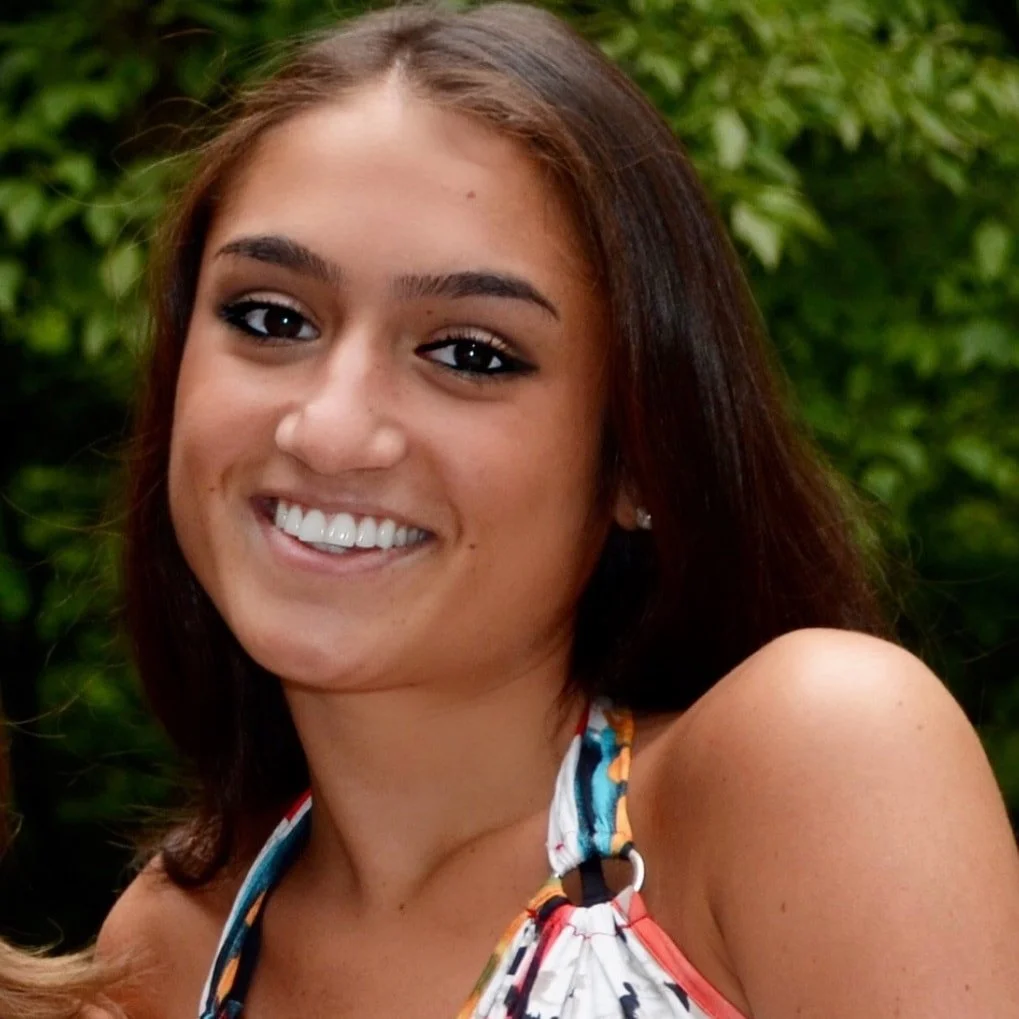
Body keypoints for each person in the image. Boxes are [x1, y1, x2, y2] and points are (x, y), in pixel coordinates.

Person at [98, 3, 1019, 1017]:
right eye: (271, 317)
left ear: (636, 460)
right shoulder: (164, 953)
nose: (329, 428)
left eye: (469, 353)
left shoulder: (812, 762)